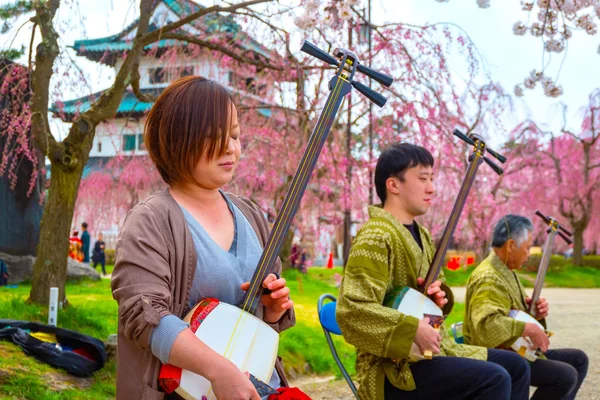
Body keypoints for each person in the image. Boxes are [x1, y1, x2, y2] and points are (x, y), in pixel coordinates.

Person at [111, 76, 295, 400]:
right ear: (178, 140)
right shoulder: (151, 220)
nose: (231, 148)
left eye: (235, 135)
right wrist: (217, 369)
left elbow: (254, 320)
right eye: (214, 137)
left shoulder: (251, 214)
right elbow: (145, 316)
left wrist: (272, 309)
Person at [336, 143, 531, 400]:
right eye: (423, 179)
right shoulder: (375, 236)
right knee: (495, 378)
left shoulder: (424, 236)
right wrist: (412, 328)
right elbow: (351, 311)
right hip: (392, 368)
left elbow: (436, 302)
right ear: (393, 185)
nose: (432, 188)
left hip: (429, 352)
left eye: (432, 178)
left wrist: (439, 298)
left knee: (517, 366)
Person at [463, 214, 589, 400]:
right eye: (527, 247)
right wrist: (527, 328)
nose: (529, 253)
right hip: (497, 354)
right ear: (511, 245)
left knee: (578, 360)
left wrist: (535, 315)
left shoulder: (505, 269)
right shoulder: (488, 277)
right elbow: (486, 327)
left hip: (515, 348)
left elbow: (513, 313)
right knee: (565, 375)